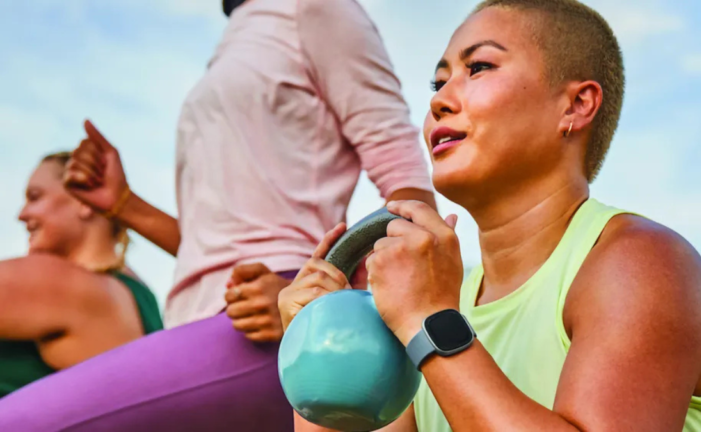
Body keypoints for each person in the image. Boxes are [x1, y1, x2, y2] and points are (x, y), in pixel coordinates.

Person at [280, 1, 701, 431]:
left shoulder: (644, 264)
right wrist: (316, 349)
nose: (439, 100)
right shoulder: (432, 301)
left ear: (576, 105)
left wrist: (431, 323)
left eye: (478, 67)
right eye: (437, 82)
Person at [0, 0, 434, 430]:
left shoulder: (315, 9)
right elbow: (215, 246)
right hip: (198, 322)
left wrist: (307, 294)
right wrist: (124, 206)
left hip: (269, 328)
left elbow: (408, 189)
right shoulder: (238, 36)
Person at [0, 152, 162, 399]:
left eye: (35, 197)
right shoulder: (139, 298)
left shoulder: (60, 284)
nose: (22, 214)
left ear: (84, 200)